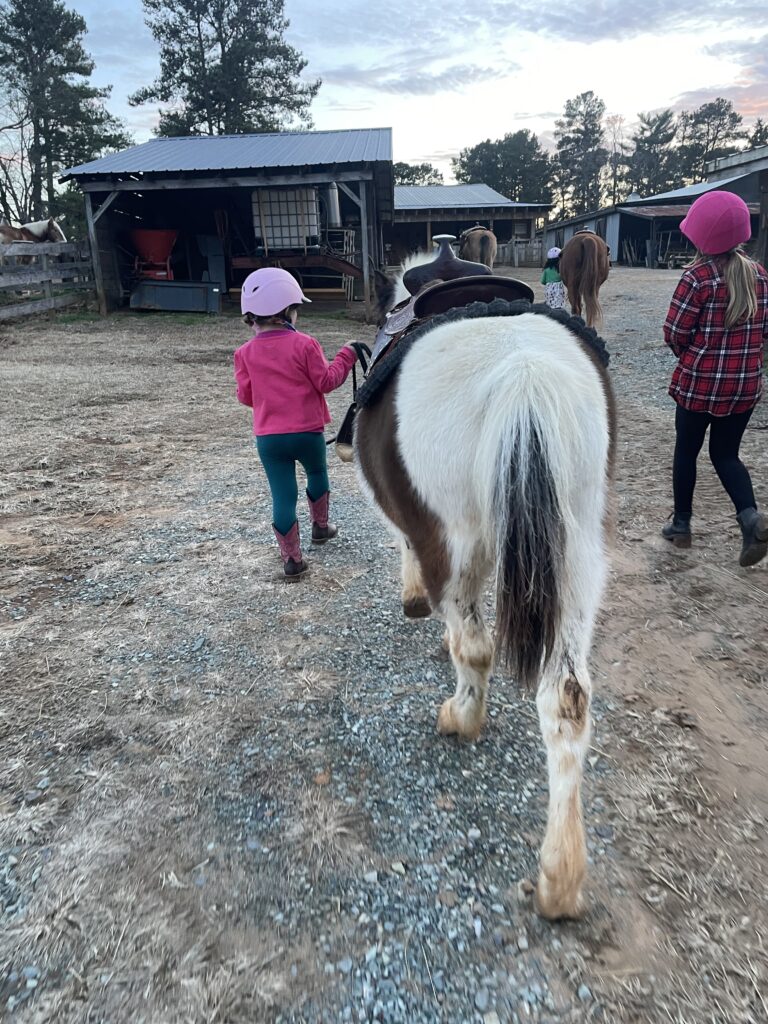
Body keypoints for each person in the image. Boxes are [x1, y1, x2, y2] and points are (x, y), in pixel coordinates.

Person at [661, 190, 768, 566]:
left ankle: (682, 524)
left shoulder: (697, 277)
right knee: (726, 454)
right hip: (744, 387)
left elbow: (674, 332)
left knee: (686, 452)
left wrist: (692, 358)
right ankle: (750, 517)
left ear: (702, 234)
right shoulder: (759, 275)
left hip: (699, 386)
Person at [234, 267, 360, 580]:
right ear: (289, 311)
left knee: (282, 494)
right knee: (317, 473)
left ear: (252, 316)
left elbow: (246, 397)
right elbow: (327, 381)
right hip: (307, 431)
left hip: (269, 438)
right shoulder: (305, 344)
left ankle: (292, 560)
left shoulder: (244, 353)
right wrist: (348, 355)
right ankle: (320, 528)